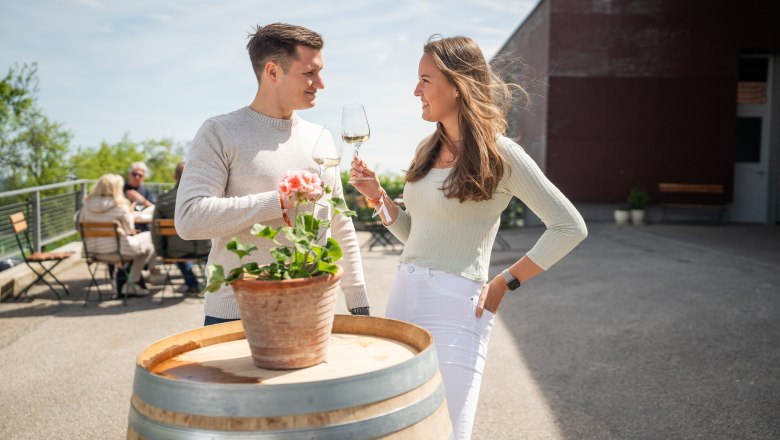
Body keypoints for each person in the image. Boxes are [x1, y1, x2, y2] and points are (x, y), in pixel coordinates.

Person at [350, 35, 588, 440]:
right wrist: (378, 199)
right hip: (403, 294)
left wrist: (505, 281)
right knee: (400, 428)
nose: (415, 91)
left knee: (448, 430)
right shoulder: (426, 148)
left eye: (425, 80)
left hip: (456, 305)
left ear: (457, 84)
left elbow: (569, 226)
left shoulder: (502, 153)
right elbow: (417, 235)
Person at [175, 23, 371, 326]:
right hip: (236, 316)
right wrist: (279, 201)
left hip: (313, 311)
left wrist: (358, 300)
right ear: (273, 72)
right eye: (309, 73)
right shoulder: (219, 131)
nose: (320, 83)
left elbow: (339, 221)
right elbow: (190, 219)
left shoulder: (321, 137)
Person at [78, 173, 156, 297]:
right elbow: (130, 229)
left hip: (93, 250)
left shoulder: (86, 206)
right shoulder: (120, 206)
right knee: (150, 240)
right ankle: (133, 282)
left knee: (142, 246)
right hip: (118, 250)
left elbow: (79, 226)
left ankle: (129, 281)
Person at [151, 162, 211, 294]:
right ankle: (209, 283)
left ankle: (192, 284)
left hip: (176, 251)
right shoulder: (207, 198)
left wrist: (161, 251)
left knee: (178, 248)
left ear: (174, 177)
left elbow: (155, 231)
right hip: (204, 251)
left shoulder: (163, 199)